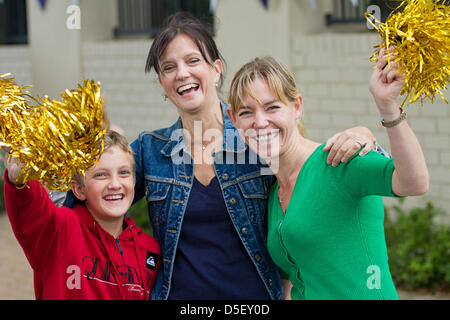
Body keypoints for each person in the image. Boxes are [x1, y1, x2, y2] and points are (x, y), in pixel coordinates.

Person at [125, 12, 384, 300]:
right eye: (168, 67)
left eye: (193, 60)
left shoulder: (257, 137)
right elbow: (95, 199)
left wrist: (365, 137)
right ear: (162, 82)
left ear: (216, 69)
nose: (181, 73)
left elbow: (311, 170)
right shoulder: (150, 150)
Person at [227, 54, 429, 299]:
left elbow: (414, 182)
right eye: (247, 112)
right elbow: (293, 282)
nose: (260, 122)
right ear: (233, 119)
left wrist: (388, 107)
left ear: (297, 107)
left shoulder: (339, 158)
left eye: (272, 107)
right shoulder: (271, 191)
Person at [3, 130, 160, 300]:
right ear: (79, 189)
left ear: (134, 181)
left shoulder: (150, 249)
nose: (115, 184)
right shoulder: (61, 230)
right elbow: (30, 208)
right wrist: (21, 179)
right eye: (101, 175)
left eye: (123, 173)